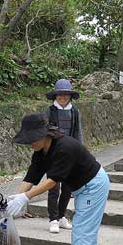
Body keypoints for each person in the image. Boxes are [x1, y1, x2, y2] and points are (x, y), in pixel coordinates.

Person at [5, 113, 110, 245]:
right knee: (87, 225)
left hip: (93, 185)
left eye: (33, 138)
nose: (30, 143)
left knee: (83, 227)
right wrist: (16, 198)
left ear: (45, 134)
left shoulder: (64, 147)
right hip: (82, 186)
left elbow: (51, 182)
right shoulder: (40, 151)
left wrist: (25, 198)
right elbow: (31, 177)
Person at [44, 79, 83, 234]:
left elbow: (78, 133)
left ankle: (61, 216)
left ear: (70, 96)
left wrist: (80, 152)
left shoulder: (75, 111)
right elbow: (44, 134)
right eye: (60, 95)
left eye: (66, 95)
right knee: (53, 188)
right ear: (56, 95)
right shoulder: (49, 111)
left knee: (67, 188)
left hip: (70, 154)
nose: (63, 97)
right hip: (53, 154)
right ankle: (52, 219)